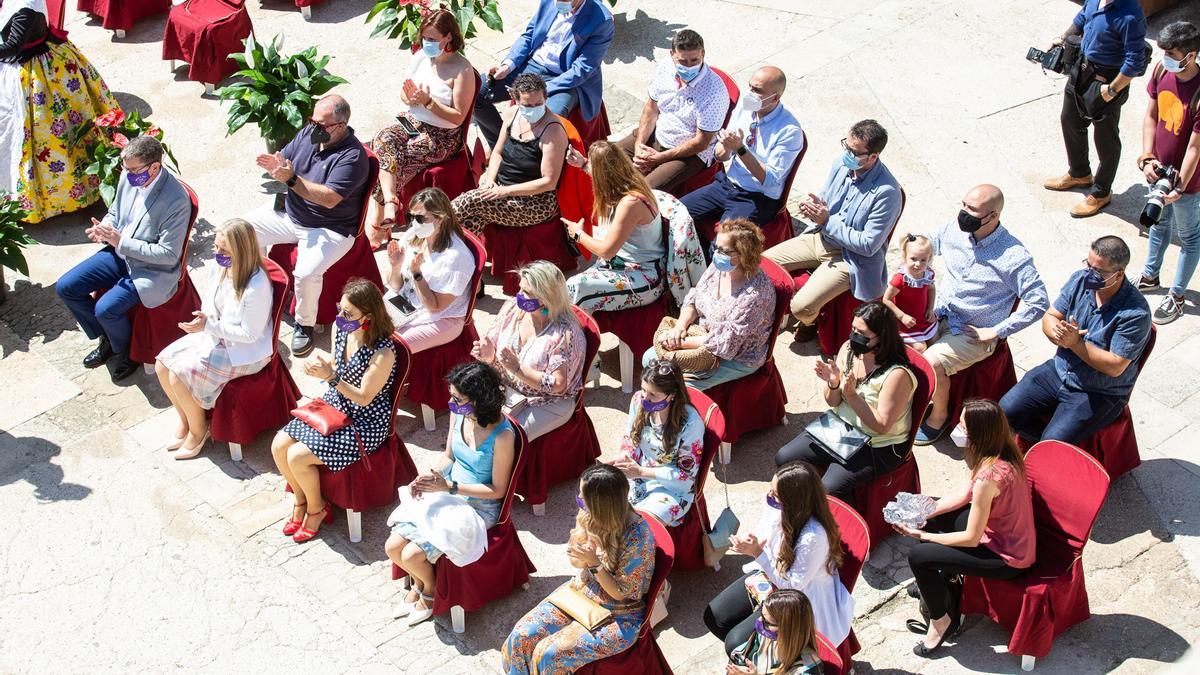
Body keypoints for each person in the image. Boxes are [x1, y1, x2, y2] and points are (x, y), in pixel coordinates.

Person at [894, 400, 1035, 658]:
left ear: (979, 434)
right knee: (933, 517)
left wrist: (922, 535)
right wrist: (922, 513)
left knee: (919, 556)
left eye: (962, 425)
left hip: (1006, 557)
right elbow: (962, 495)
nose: (957, 429)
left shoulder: (989, 476)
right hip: (997, 533)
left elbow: (971, 538)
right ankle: (935, 586)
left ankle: (941, 621)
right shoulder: (998, 452)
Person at [913, 184, 1049, 445]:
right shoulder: (954, 229)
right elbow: (926, 243)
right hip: (938, 314)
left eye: (972, 210)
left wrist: (997, 331)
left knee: (931, 360)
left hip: (972, 332)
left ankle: (939, 417)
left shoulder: (1014, 257)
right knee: (902, 340)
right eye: (963, 205)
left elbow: (1039, 302)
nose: (964, 213)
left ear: (993, 215)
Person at [386, 361, 515, 627]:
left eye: (458, 398)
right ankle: (422, 583)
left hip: (479, 506)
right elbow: (449, 456)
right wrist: (431, 476)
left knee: (410, 555)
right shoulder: (459, 416)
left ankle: (431, 592)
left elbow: (498, 490)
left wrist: (450, 487)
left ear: (480, 399)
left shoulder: (502, 437)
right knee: (392, 547)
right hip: (449, 494)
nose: (451, 402)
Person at [55, 135, 191, 383]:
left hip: (150, 269)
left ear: (154, 167)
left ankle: (127, 351)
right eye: (124, 168)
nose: (127, 175)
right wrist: (104, 228)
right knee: (66, 287)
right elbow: (116, 212)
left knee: (105, 309)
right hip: (119, 255)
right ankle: (106, 336)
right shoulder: (129, 177)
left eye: (132, 170)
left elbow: (169, 254)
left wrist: (121, 242)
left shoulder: (176, 200)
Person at [272, 279, 397, 544]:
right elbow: (335, 362)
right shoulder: (340, 331)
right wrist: (323, 367)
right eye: (341, 309)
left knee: (297, 456)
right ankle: (301, 499)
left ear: (368, 317)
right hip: (335, 403)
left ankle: (317, 509)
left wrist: (331, 378)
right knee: (278, 444)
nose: (341, 317)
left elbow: (364, 398)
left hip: (365, 421)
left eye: (348, 314)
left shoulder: (383, 353)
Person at [247, 94, 371, 357]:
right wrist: (278, 164)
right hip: (292, 214)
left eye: (322, 125)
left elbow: (329, 199)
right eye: (312, 121)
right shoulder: (310, 133)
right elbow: (287, 158)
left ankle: (305, 324)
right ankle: (258, 287)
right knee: (242, 231)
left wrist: (291, 180)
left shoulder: (353, 157)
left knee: (305, 274)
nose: (314, 128)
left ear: (341, 125)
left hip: (329, 227)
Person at [501, 463, 655, 674]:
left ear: (602, 505)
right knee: (521, 637)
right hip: (582, 593)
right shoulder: (590, 515)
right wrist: (581, 555)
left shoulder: (638, 538)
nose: (580, 503)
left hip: (619, 614)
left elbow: (621, 594)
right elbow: (576, 562)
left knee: (547, 655)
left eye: (583, 499)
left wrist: (594, 564)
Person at [1001, 236, 1151, 445]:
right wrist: (1058, 334)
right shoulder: (1080, 280)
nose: (1089, 273)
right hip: (1060, 369)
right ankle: (1042, 448)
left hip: (1098, 391)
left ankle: (1051, 452)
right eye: (1088, 265)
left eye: (1098, 271)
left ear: (1118, 275)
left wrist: (1075, 344)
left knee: (1053, 442)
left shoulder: (1135, 313)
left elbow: (1115, 366)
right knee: (1004, 413)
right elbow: (1051, 316)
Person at [762, 120, 900, 342]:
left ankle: (811, 320)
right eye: (846, 145)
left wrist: (827, 220)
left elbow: (868, 245)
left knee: (801, 307)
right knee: (761, 264)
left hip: (852, 259)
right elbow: (826, 198)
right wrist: (812, 206)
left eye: (853, 152)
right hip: (820, 238)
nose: (846, 154)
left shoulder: (887, 193)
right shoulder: (842, 164)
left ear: (873, 157)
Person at [703, 462, 854, 655]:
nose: (770, 497)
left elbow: (793, 587)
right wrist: (752, 543)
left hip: (799, 597)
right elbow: (765, 532)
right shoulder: (780, 507)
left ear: (793, 501)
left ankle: (761, 654)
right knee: (714, 617)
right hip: (772, 573)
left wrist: (757, 553)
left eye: (775, 495)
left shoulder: (813, 537)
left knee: (734, 643)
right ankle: (755, 652)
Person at [154, 219, 273, 459]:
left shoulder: (256, 286)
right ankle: (185, 419)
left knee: (179, 375)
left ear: (241, 251)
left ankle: (199, 431)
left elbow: (250, 334)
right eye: (216, 247)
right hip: (215, 335)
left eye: (224, 250)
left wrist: (209, 326)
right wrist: (204, 319)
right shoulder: (221, 268)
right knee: (162, 364)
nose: (217, 253)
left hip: (243, 352)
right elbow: (209, 299)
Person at [774, 302, 916, 499]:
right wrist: (833, 384)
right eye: (853, 329)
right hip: (841, 428)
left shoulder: (896, 375)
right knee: (784, 458)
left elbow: (882, 426)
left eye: (863, 333)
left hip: (877, 444)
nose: (855, 336)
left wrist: (852, 396)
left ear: (882, 336)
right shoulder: (849, 350)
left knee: (828, 490)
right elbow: (833, 402)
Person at [1, 0, 119, 224]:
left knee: (53, 137)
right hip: (29, 63)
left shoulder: (26, 8)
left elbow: (13, 46)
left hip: (39, 75)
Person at [368, 9, 474, 243]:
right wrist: (411, 99)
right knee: (383, 138)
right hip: (414, 118)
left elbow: (457, 117)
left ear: (448, 37)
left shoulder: (462, 70)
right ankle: (391, 199)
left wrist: (428, 102)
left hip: (443, 133)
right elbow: (404, 93)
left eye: (433, 39)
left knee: (404, 154)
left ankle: (379, 215)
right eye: (425, 38)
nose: (427, 43)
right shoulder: (420, 58)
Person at [1043, 0, 1146, 218]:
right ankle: (1080, 174)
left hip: (1107, 80)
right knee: (1070, 120)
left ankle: (1101, 193)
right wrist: (1062, 39)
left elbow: (1134, 60)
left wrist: (1112, 90)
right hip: (1081, 68)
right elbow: (1082, 17)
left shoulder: (1130, 15)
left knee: (1106, 138)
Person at [646, 219, 776, 390]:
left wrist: (679, 341)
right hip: (702, 336)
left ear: (744, 254)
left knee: (669, 384)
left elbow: (726, 344)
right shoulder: (718, 269)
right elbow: (694, 298)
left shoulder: (755, 295)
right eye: (716, 247)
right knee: (649, 359)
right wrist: (679, 327)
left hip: (737, 357)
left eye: (724, 251)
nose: (717, 254)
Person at [471, 260, 585, 440]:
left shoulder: (564, 334)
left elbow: (558, 386)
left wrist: (518, 369)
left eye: (527, 292)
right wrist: (489, 355)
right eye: (520, 288)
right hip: (508, 391)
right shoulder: (512, 309)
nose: (519, 295)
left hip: (546, 403)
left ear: (547, 296)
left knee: (502, 438)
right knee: (466, 409)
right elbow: (493, 346)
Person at [474, 0, 613, 148]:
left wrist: (540, 88)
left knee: (547, 121)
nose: (559, 2)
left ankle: (534, 161)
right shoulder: (549, 2)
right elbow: (529, 36)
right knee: (476, 92)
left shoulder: (601, 20)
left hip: (564, 78)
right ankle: (502, 147)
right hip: (532, 64)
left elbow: (582, 69)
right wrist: (508, 65)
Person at [681, 66, 804, 232]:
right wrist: (725, 146)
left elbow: (770, 180)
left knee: (724, 243)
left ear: (774, 98)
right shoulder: (746, 109)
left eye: (757, 90)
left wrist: (740, 149)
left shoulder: (789, 131)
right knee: (676, 214)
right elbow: (720, 156)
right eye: (750, 86)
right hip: (727, 185)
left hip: (756, 197)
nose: (750, 93)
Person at [1135, 20, 1200, 325]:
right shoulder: (1161, 71)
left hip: (1188, 181)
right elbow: (1151, 115)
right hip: (1158, 170)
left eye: (1172, 53)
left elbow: (1195, 149)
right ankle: (1149, 276)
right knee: (1158, 226)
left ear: (1191, 55)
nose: (1165, 58)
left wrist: (1180, 186)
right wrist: (1147, 157)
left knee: (1190, 237)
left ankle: (1176, 294)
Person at [453, 73, 568, 237]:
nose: (533, 109)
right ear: (516, 99)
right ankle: (457, 255)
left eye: (538, 104)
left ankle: (428, 226)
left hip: (534, 202)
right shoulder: (512, 114)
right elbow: (498, 151)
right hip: (502, 188)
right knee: (470, 221)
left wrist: (505, 191)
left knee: (471, 200)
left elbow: (548, 182)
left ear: (545, 98)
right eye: (527, 105)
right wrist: (490, 180)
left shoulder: (553, 131)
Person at [612, 29, 728, 191]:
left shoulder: (714, 91)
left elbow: (701, 142)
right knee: (606, 159)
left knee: (643, 192)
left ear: (703, 54)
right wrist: (639, 144)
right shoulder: (665, 67)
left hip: (689, 153)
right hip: (658, 133)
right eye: (682, 61)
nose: (689, 67)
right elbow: (651, 108)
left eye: (695, 60)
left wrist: (659, 158)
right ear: (672, 54)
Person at [563, 140, 667, 313]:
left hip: (646, 276)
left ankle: (572, 337)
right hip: (626, 265)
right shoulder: (627, 184)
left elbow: (606, 251)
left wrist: (578, 235)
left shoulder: (630, 203)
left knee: (575, 287)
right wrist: (583, 164)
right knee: (569, 290)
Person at [612, 358, 704, 528]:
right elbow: (631, 439)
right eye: (643, 389)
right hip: (637, 476)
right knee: (600, 506)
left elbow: (686, 477)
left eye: (653, 394)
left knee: (634, 525)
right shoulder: (638, 401)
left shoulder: (691, 424)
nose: (645, 398)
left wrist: (641, 471)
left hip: (671, 489)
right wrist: (624, 457)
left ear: (672, 395)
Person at [382, 188, 475, 353]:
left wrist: (417, 274)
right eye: (411, 217)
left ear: (440, 218)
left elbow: (434, 306)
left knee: (386, 348)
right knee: (359, 324)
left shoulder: (455, 257)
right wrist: (396, 267)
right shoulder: (414, 235)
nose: (414, 223)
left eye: (420, 218)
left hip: (440, 319)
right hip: (406, 305)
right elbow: (395, 285)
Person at [727, 589, 825, 675]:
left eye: (767, 622)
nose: (760, 620)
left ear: (787, 629)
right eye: (761, 613)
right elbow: (742, 658)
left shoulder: (807, 669)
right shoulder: (767, 636)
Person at [881, 234, 937, 351]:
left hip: (921, 317)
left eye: (923, 260)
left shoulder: (928, 274)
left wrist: (930, 308)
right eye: (913, 259)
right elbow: (886, 299)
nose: (918, 264)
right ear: (905, 256)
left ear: (929, 259)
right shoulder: (901, 279)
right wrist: (902, 316)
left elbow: (931, 289)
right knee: (921, 347)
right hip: (904, 322)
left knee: (936, 340)